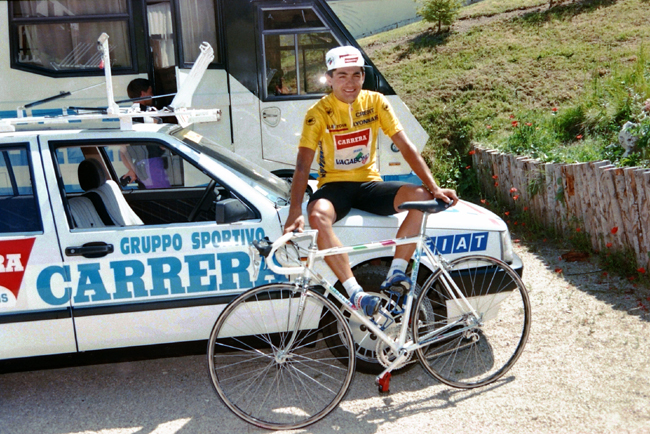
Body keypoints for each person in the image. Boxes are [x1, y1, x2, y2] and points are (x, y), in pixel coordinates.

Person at [284, 46, 459, 317]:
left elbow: (406, 146)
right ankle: (355, 293)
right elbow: (303, 164)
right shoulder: (318, 112)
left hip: (369, 184)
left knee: (423, 197)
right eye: (342, 76)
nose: (350, 83)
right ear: (329, 79)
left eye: (357, 74)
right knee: (317, 215)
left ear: (363, 77)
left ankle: (396, 275)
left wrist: (434, 187)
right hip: (335, 186)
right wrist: (296, 209)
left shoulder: (376, 102)